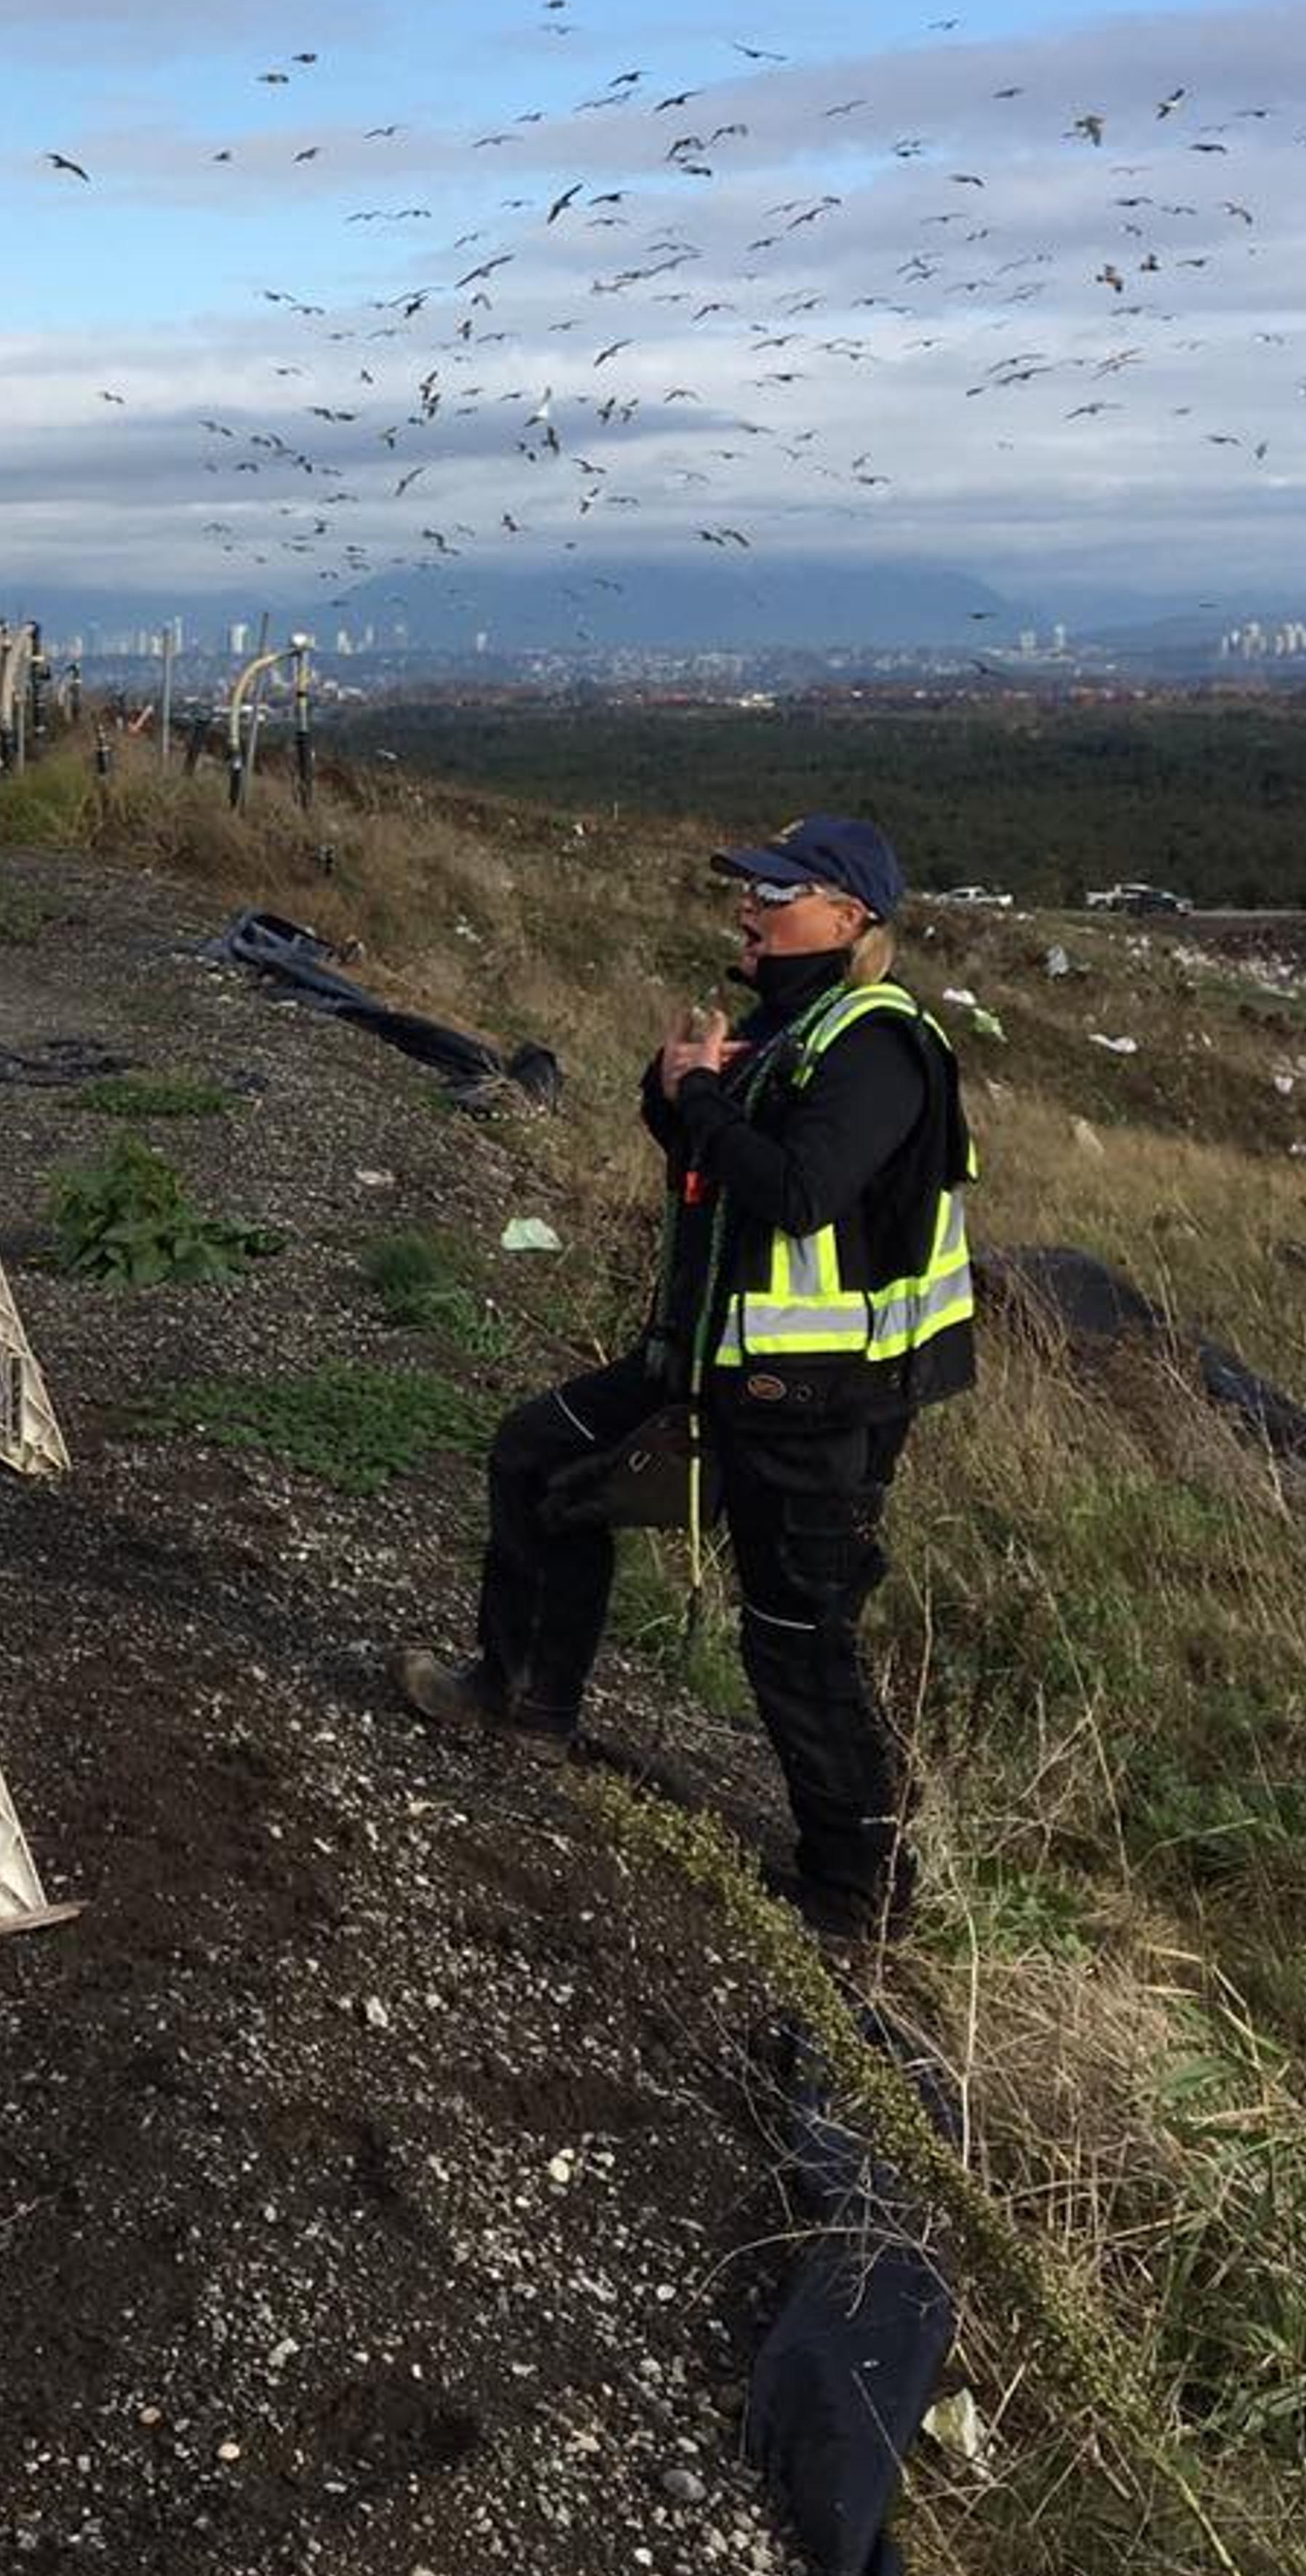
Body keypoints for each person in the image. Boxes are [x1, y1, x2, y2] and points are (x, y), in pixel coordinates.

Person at [393, 816, 976, 1943]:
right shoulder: (785, 1028)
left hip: (821, 1406)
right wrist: (677, 1097)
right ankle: (521, 1699)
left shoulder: (879, 1047)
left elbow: (799, 1190)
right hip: (719, 1370)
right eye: (748, 893)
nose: (748, 912)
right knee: (537, 1457)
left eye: (774, 893)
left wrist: (704, 1101)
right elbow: (714, 1167)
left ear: (849, 917)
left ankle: (854, 1894)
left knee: (796, 1634)